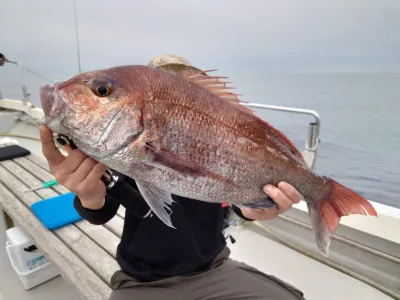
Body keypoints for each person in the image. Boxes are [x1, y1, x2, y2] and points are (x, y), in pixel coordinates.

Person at [39, 55, 306, 300]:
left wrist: (254, 210)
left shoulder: (216, 141)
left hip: (214, 267)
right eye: (103, 91)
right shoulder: (122, 146)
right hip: (143, 282)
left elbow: (235, 202)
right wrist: (88, 196)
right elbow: (100, 212)